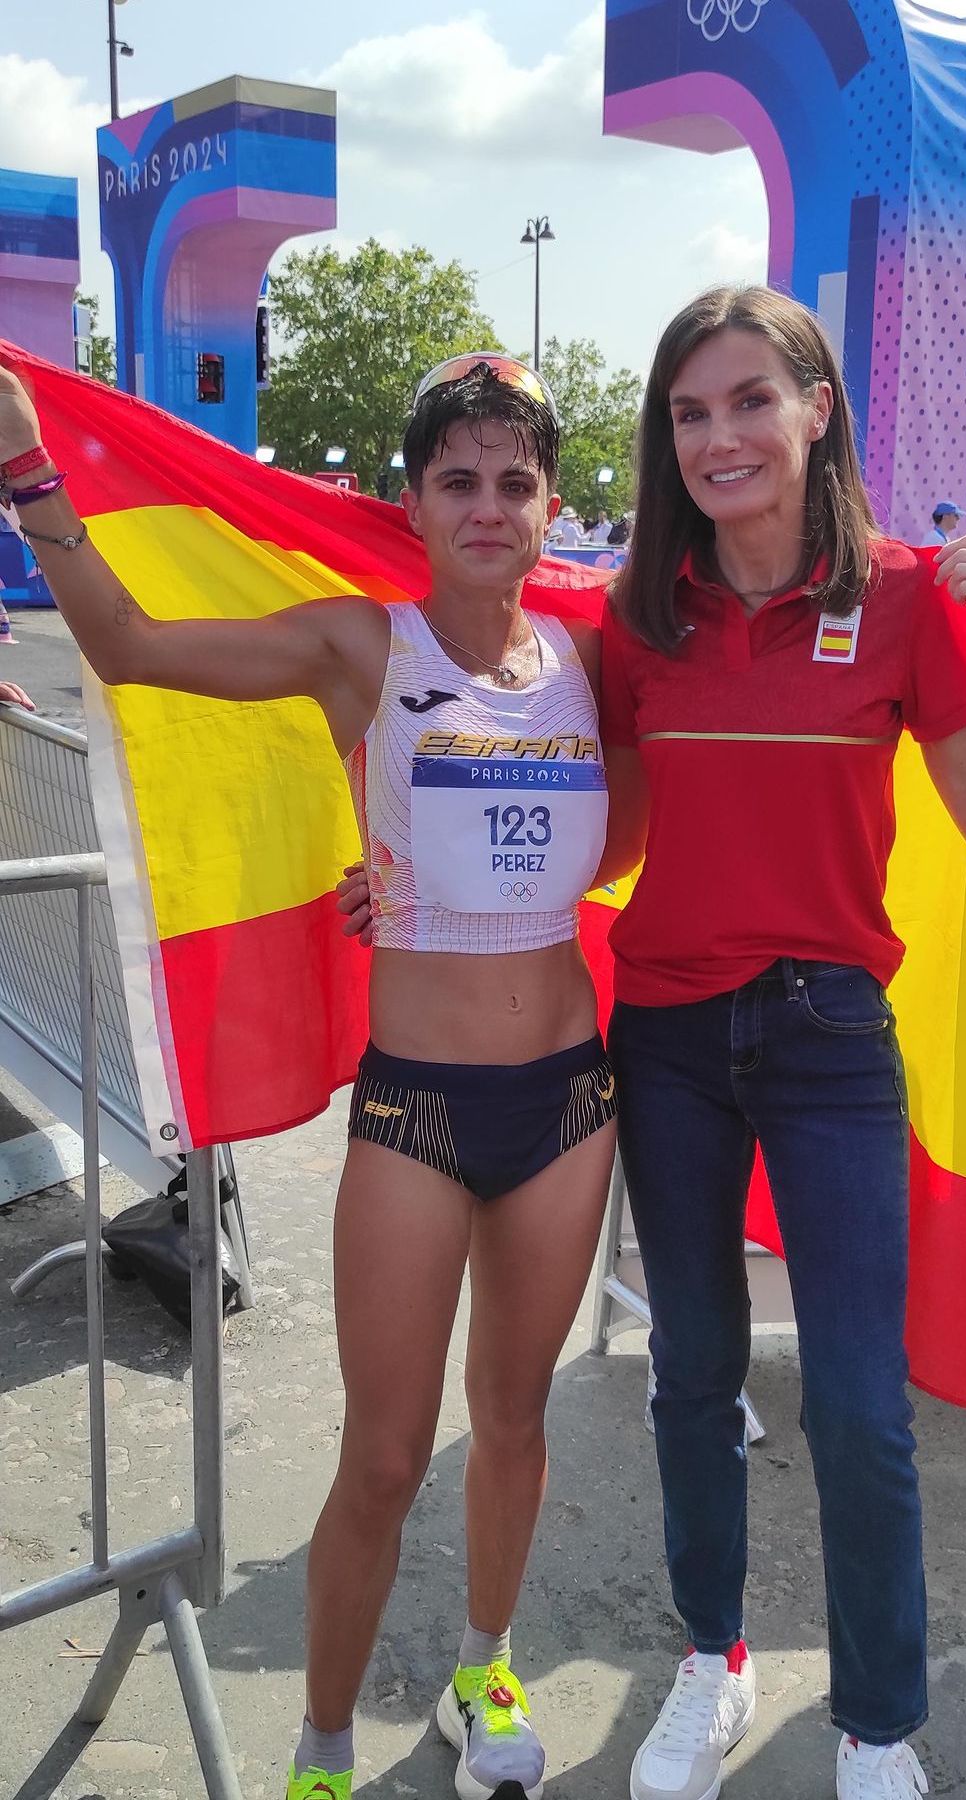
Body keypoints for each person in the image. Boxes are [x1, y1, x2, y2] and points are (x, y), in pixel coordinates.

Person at [0, 353, 631, 1800]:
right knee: (386, 1457)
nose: (487, 505)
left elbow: (669, 805)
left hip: (571, 1102)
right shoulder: (365, 644)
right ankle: (324, 1750)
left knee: (516, 1419)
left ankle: (484, 1669)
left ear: (548, 507)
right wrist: (33, 473)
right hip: (416, 1108)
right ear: (413, 502)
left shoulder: (599, 661)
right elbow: (135, 644)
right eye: (457, 480)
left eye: (514, 482)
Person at [598, 286, 966, 1800]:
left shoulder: (912, 598)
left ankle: (876, 1724)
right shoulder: (640, 614)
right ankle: (711, 1664)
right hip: (663, 1033)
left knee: (859, 1401)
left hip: (831, 1034)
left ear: (816, 410)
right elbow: (595, 823)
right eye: (688, 412)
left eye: (745, 401)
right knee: (691, 1375)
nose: (718, 437)